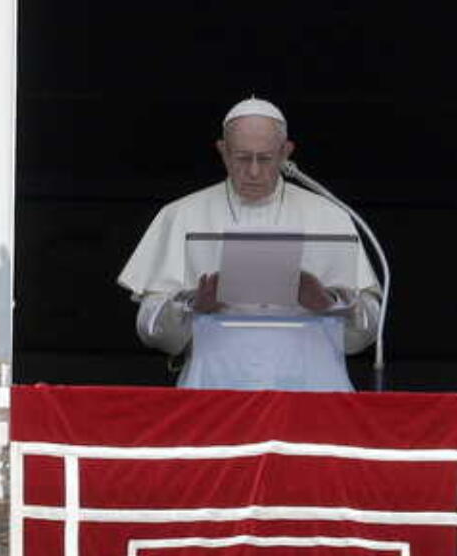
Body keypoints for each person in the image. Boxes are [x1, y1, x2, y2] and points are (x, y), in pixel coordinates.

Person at [117, 97, 381, 390]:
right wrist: (191, 306)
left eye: (265, 158)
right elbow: (150, 329)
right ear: (223, 151)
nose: (254, 171)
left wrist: (329, 304)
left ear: (286, 152)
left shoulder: (330, 215)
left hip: (313, 389)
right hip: (215, 387)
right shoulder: (181, 214)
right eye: (242, 158)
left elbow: (368, 330)